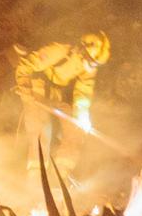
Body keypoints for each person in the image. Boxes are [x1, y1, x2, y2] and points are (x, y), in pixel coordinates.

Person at [14, 31, 111, 175]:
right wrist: (25, 90)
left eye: (95, 64)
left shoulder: (88, 69)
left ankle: (61, 173)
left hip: (57, 94)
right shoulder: (59, 51)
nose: (91, 66)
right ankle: (36, 172)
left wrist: (82, 117)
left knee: (76, 129)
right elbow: (25, 66)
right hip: (37, 88)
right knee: (40, 127)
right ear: (82, 50)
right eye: (90, 61)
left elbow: (83, 93)